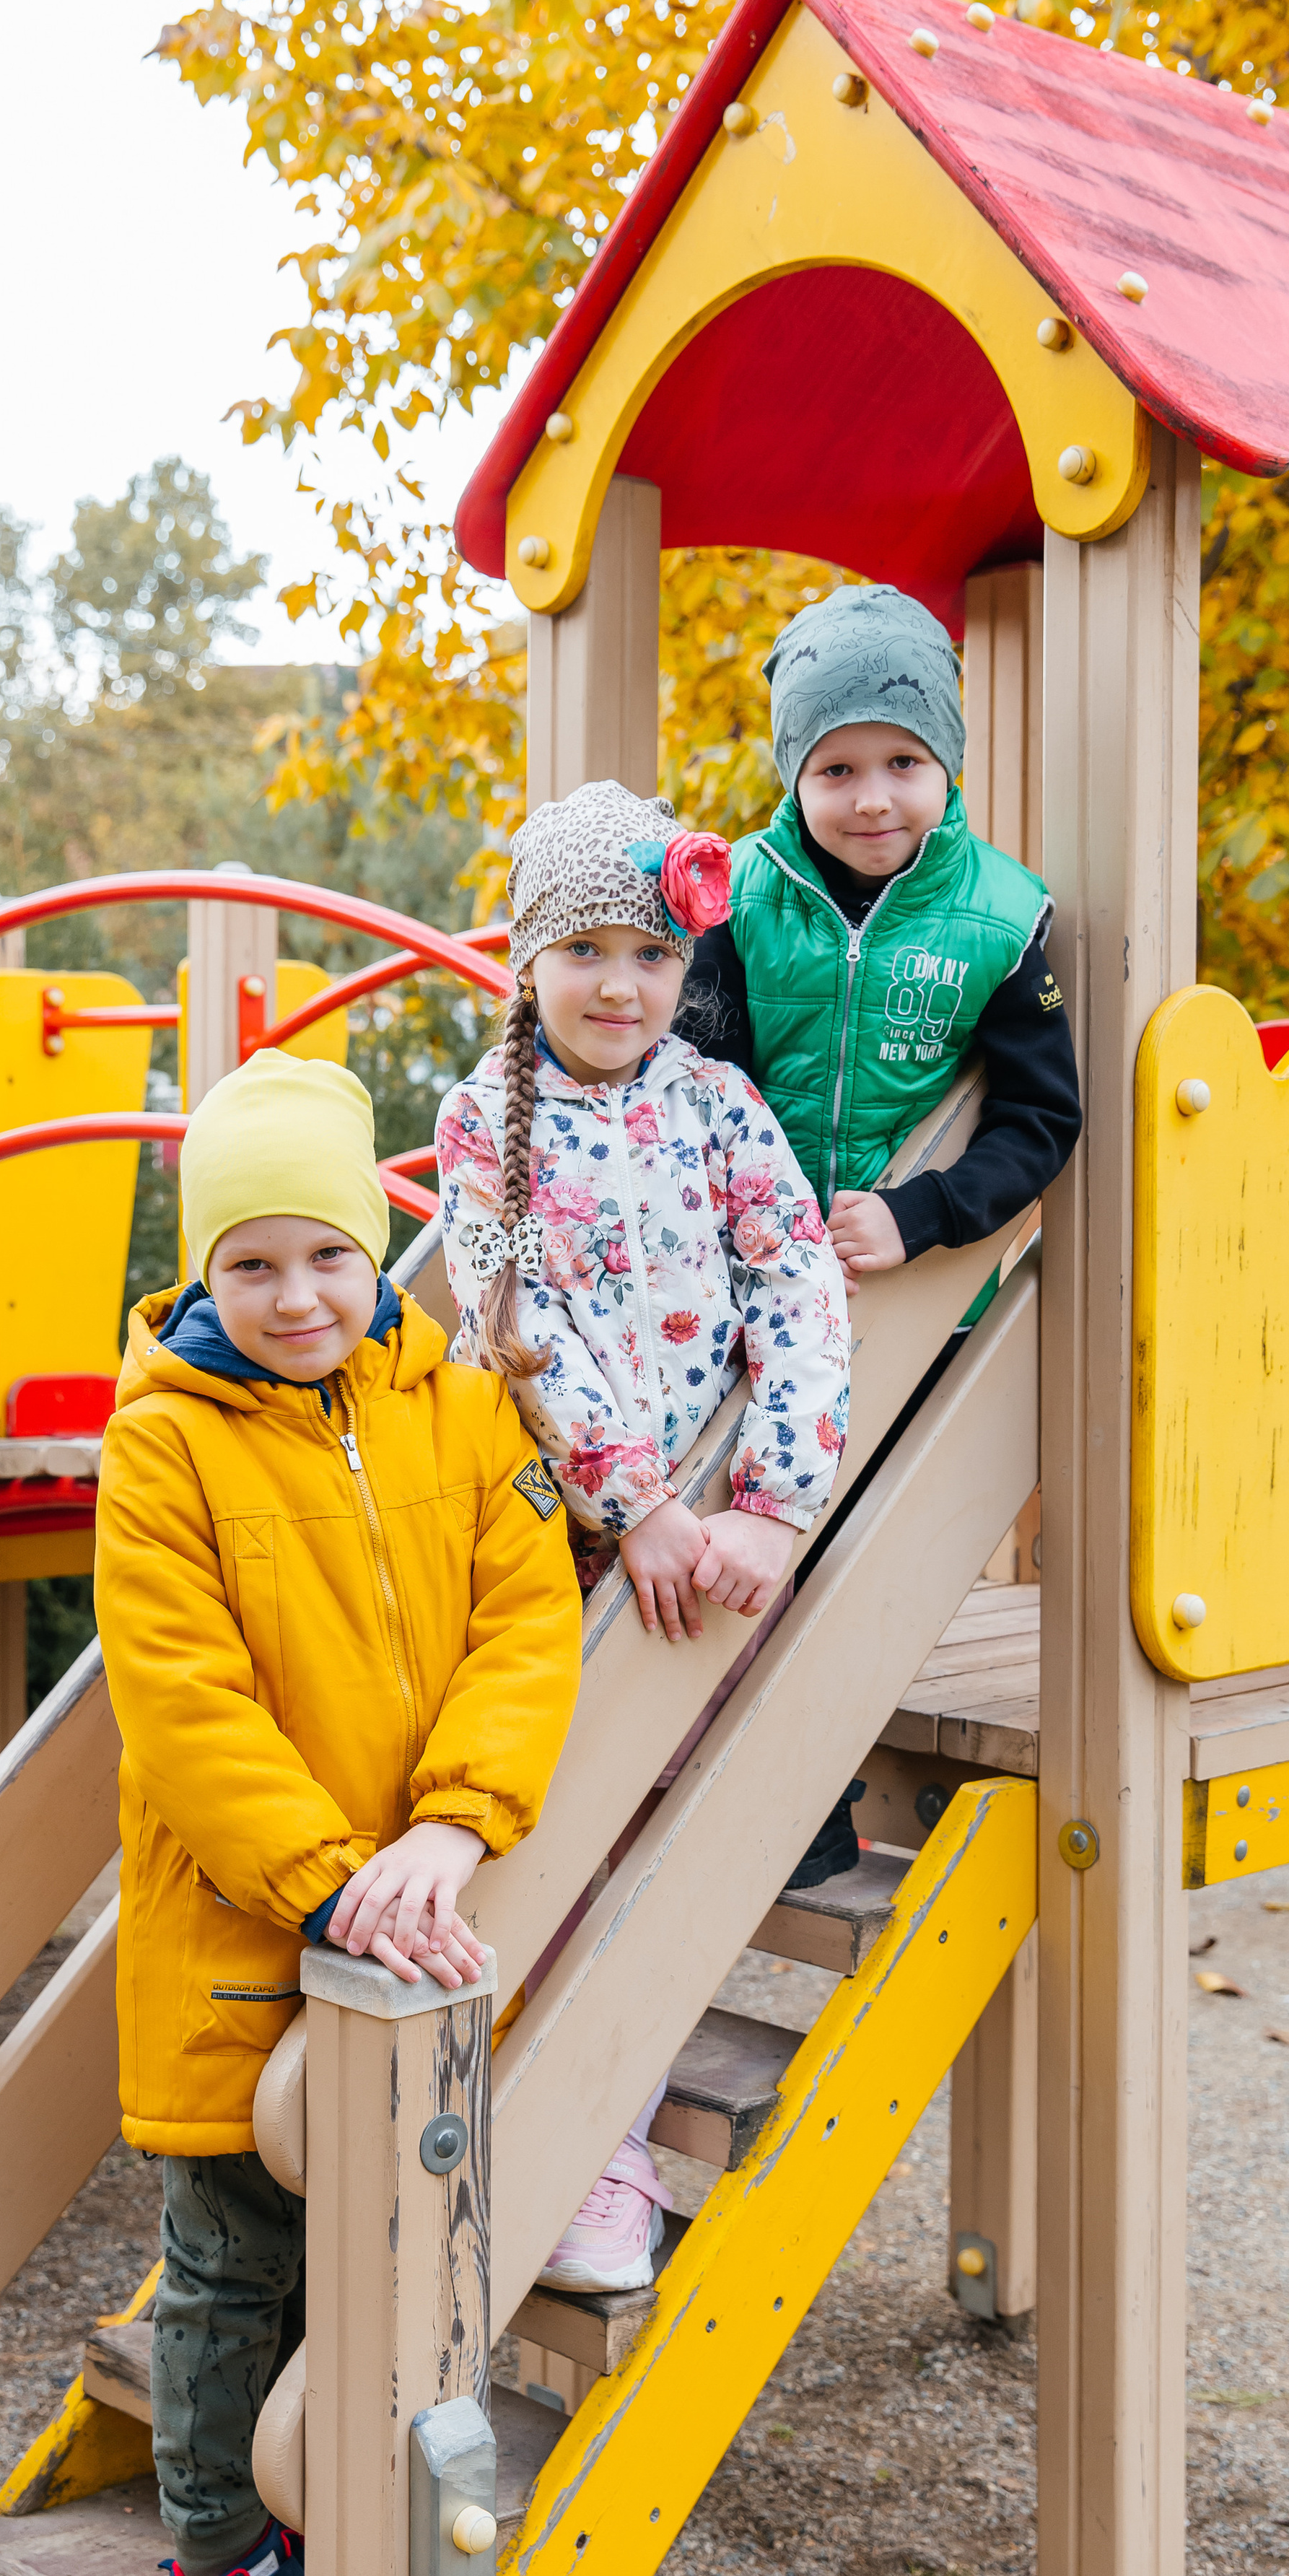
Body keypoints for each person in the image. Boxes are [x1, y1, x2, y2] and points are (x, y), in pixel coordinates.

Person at [95, 1047, 582, 2576]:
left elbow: (528, 1617)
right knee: (236, 2268)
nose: (294, 1295)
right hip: (250, 1934)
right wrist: (329, 1881)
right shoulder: (161, 1447)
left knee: (369, 2260)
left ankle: (334, 2539)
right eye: (249, 1262)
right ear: (198, 1269)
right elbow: (183, 1703)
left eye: (324, 1252)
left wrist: (452, 1825)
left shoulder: (452, 1401)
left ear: (380, 1242)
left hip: (417, 1910)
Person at [435, 777, 852, 2294]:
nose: (622, 988)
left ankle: (595, 2128)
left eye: (653, 958)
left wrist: (774, 1504)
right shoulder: (474, 1126)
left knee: (674, 1852)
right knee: (568, 1839)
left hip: (712, 1557)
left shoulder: (719, 1108)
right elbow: (514, 1316)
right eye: (588, 953)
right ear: (526, 961)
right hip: (567, 1550)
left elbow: (795, 1287)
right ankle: (578, 2161)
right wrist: (645, 1502)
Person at [685, 580, 1082, 1879]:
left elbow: (1041, 1119)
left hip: (909, 1305)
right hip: (744, 1288)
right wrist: (745, 1222)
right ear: (793, 771)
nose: (871, 798)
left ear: (947, 764)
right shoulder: (736, 900)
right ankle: (734, 1793)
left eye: (904, 762)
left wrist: (922, 1218)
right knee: (742, 1537)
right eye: (837, 766)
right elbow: (697, 1080)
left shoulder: (1000, 918)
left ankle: (813, 1789)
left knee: (853, 1548)